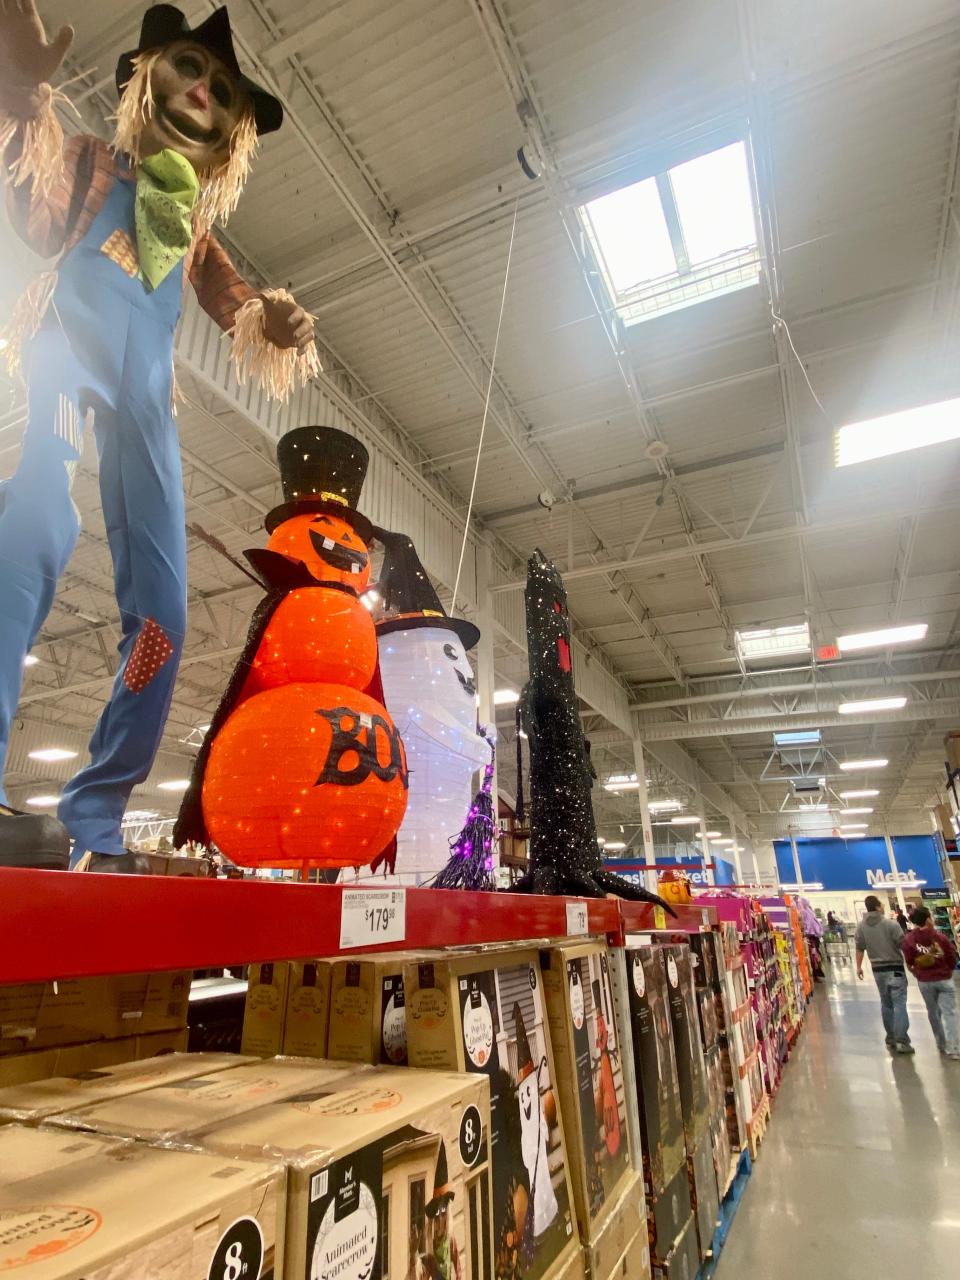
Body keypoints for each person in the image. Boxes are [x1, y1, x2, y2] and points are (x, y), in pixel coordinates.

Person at [0, 5, 318, 874]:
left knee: (166, 619)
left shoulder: (192, 237)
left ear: (230, 133)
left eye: (219, 92)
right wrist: (21, 97)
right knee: (31, 525)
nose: (200, 92)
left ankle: (97, 817)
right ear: (146, 77)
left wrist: (274, 320)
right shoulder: (92, 169)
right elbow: (30, 191)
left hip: (145, 407)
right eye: (188, 70)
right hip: (69, 366)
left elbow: (240, 307)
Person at [855, 895, 913, 1054]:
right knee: (899, 1003)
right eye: (881, 904)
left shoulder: (861, 927)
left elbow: (859, 948)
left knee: (886, 1003)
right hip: (895, 968)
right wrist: (912, 963)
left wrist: (858, 967)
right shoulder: (891, 924)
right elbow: (904, 945)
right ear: (878, 906)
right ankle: (902, 1041)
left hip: (877, 970)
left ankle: (891, 1037)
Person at [902, 907, 960, 1060]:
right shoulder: (940, 937)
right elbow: (952, 957)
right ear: (928, 918)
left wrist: (918, 973)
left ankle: (941, 1044)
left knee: (933, 1012)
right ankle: (953, 1048)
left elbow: (909, 961)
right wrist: (947, 970)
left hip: (925, 981)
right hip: (944, 979)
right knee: (949, 1013)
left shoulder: (909, 940)